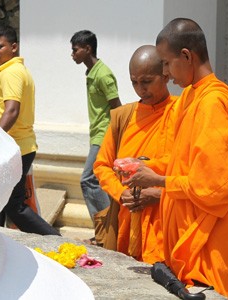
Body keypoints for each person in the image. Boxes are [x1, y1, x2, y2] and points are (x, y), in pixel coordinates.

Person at [123, 18, 228, 299]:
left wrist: (158, 180)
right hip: (189, 239)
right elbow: (183, 161)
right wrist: (145, 167)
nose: (165, 73)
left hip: (213, 242)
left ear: (186, 56)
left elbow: (216, 187)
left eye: (166, 63)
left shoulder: (213, 102)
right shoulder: (190, 97)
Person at [93, 45, 178, 263]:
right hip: (126, 220)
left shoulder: (182, 112)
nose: (140, 89)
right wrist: (121, 193)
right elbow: (102, 165)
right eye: (134, 82)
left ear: (165, 75)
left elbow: (191, 171)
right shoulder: (123, 117)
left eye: (147, 81)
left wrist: (158, 194)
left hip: (168, 221)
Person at [0, 25, 60, 236]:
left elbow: (11, 110)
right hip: (17, 146)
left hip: (13, 146)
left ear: (14, 47)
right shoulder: (14, 71)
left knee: (14, 206)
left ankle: (55, 240)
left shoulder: (11, 72)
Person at [70, 30, 122, 244]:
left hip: (104, 135)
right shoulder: (92, 73)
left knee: (88, 180)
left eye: (75, 50)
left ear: (87, 49)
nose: (72, 54)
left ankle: (105, 229)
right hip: (97, 135)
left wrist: (117, 140)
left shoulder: (103, 74)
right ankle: (105, 231)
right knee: (98, 182)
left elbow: (117, 108)